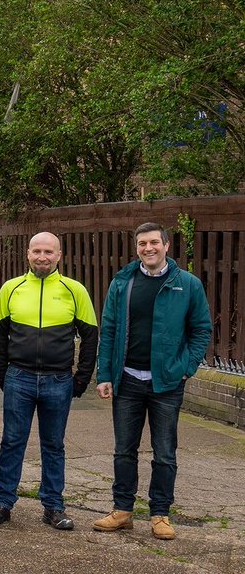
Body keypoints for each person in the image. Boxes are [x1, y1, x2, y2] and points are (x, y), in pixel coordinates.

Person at [92, 223, 211, 541]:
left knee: (165, 452)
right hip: (127, 380)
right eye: (142, 243)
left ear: (167, 246)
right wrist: (104, 374)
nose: (149, 248)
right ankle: (122, 511)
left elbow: (201, 329)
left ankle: (160, 514)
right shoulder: (123, 282)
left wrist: (187, 367)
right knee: (124, 450)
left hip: (167, 383)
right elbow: (110, 329)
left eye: (154, 242)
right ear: (137, 248)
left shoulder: (187, 284)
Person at [0, 232, 98, 530]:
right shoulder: (11, 288)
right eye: (37, 251)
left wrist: (82, 378)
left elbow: (90, 337)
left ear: (59, 255)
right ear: (28, 253)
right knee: (12, 442)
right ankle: (2, 503)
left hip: (58, 380)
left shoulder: (75, 290)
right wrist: (3, 374)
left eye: (48, 251)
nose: (42, 256)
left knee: (53, 445)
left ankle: (53, 507)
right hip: (18, 378)